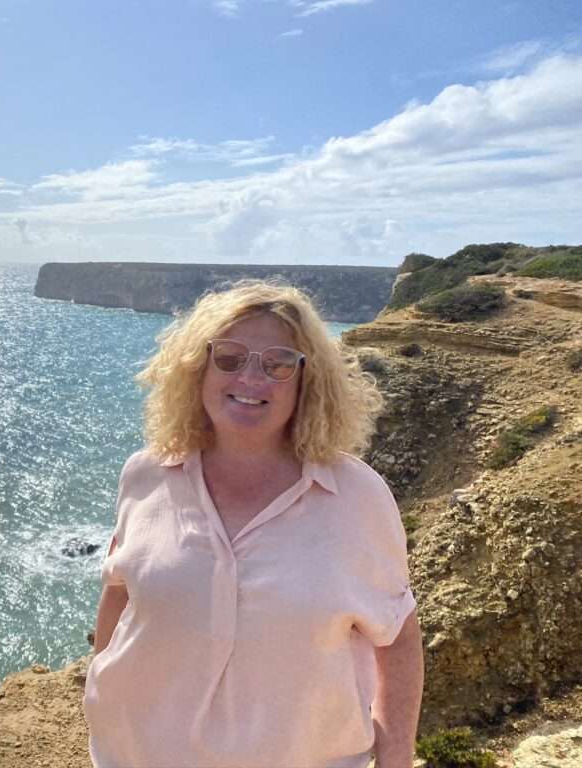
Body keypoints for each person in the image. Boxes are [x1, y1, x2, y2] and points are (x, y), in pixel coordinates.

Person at [83, 281, 423, 768]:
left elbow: (398, 632)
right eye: (229, 357)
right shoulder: (146, 474)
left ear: (308, 380)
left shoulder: (357, 496)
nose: (251, 378)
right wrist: (100, 679)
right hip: (133, 753)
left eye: (278, 363)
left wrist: (396, 756)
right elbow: (118, 586)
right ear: (198, 369)